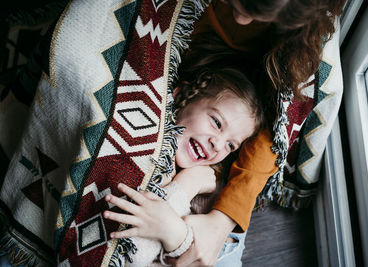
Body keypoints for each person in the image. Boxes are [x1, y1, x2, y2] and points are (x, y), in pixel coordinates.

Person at [168, 0, 347, 266]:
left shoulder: (301, 46)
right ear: (179, 94)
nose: (239, 20)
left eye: (232, 145)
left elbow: (273, 135)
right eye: (235, 3)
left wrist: (221, 219)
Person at [103, 67, 264, 266]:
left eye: (231, 145)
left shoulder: (212, 187)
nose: (218, 144)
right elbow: (123, 255)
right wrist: (185, 189)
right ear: (181, 95)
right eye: (216, 122)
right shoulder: (147, 144)